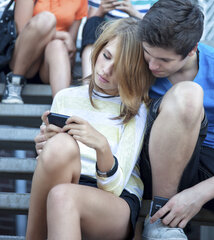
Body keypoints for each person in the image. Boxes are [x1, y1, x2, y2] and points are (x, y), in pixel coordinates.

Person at [26, 17, 154, 240]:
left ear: (133, 72)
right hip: (64, 184)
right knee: (61, 153)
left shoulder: (135, 109)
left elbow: (115, 188)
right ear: (98, 49)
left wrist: (101, 146)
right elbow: (48, 171)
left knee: (62, 196)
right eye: (106, 56)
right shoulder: (65, 97)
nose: (105, 70)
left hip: (113, 201)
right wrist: (44, 149)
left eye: (119, 68)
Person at [137, 0, 214, 240]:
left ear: (192, 49)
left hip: (208, 164)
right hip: (152, 160)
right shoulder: (134, 55)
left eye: (164, 60)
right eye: (147, 53)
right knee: (187, 95)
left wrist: (199, 194)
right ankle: (161, 219)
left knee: (189, 93)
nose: (152, 65)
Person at [1, 0, 94, 104]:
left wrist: (62, 39)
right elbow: (23, 31)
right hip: (23, 59)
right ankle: (14, 83)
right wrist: (61, 35)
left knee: (58, 45)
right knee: (46, 19)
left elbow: (70, 45)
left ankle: (62, 109)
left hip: (50, 66)